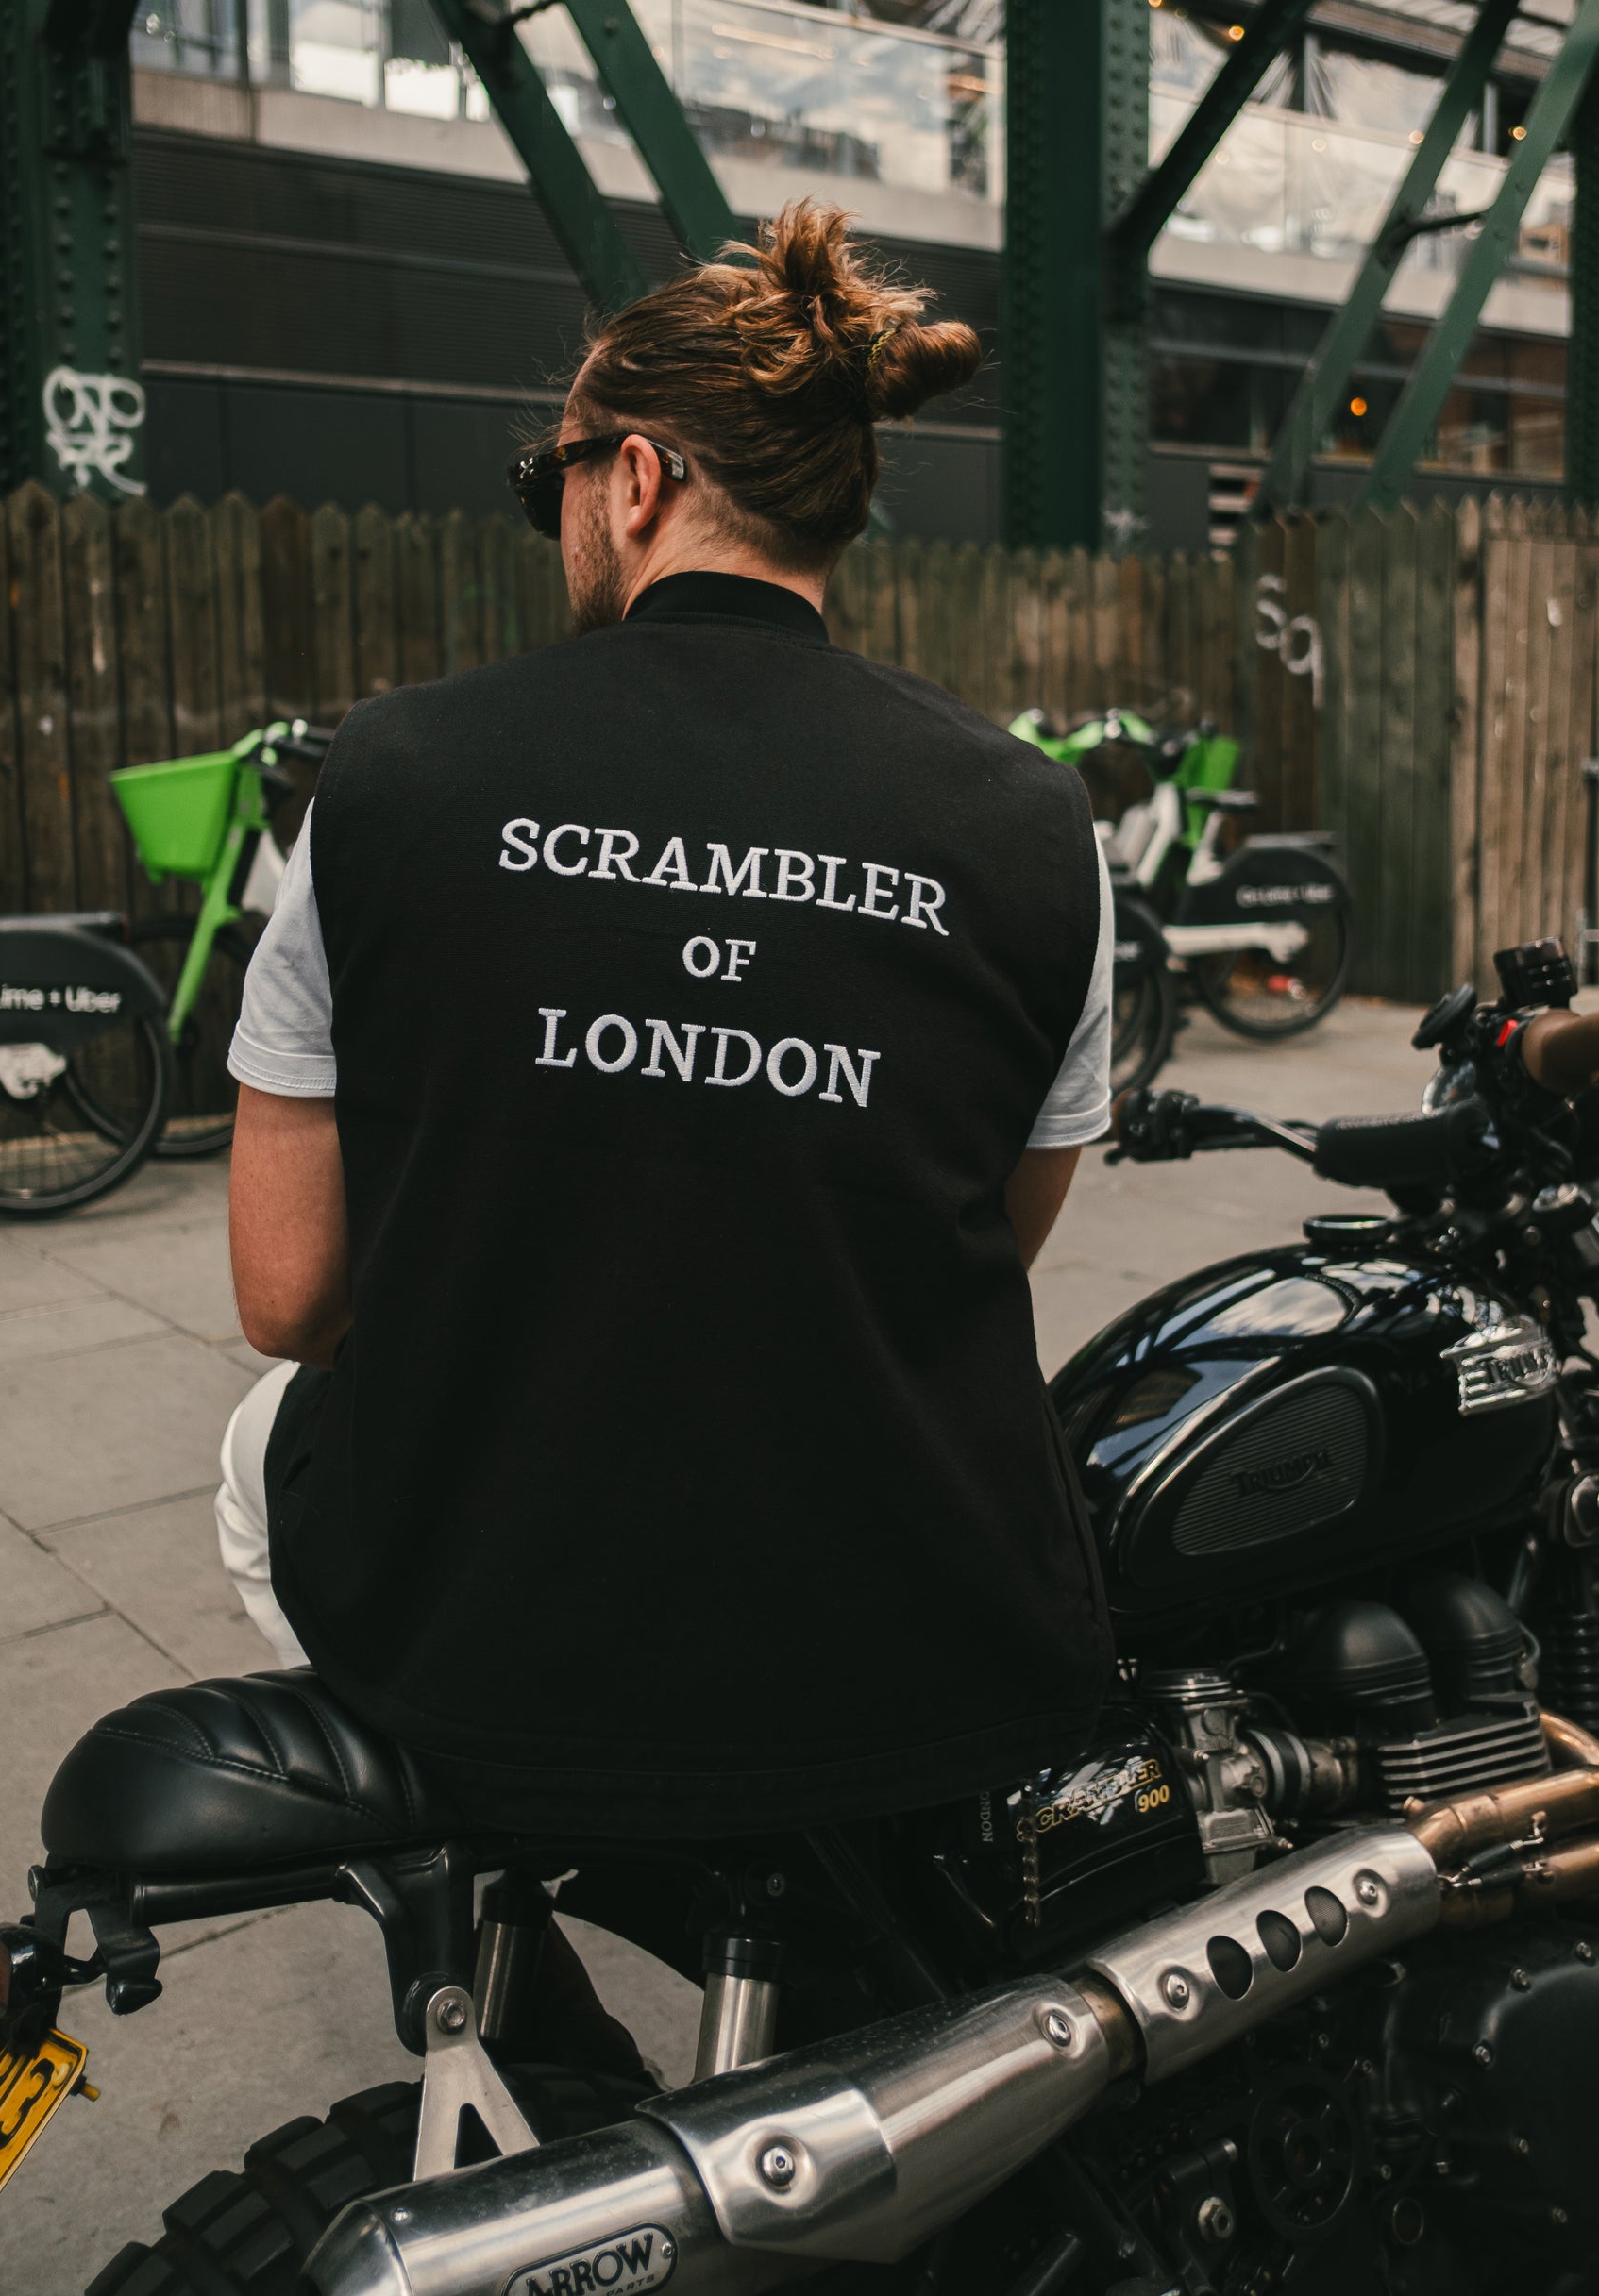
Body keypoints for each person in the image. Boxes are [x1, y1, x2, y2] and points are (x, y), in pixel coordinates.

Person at [216, 200, 1115, 1841]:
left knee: (250, 1444)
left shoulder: (391, 775)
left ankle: (473, 1912)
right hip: (909, 1640)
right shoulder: (1035, 822)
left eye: (544, 480)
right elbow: (965, 1233)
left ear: (632, 481)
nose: (549, 513)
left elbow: (290, 1298)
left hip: (493, 1629)